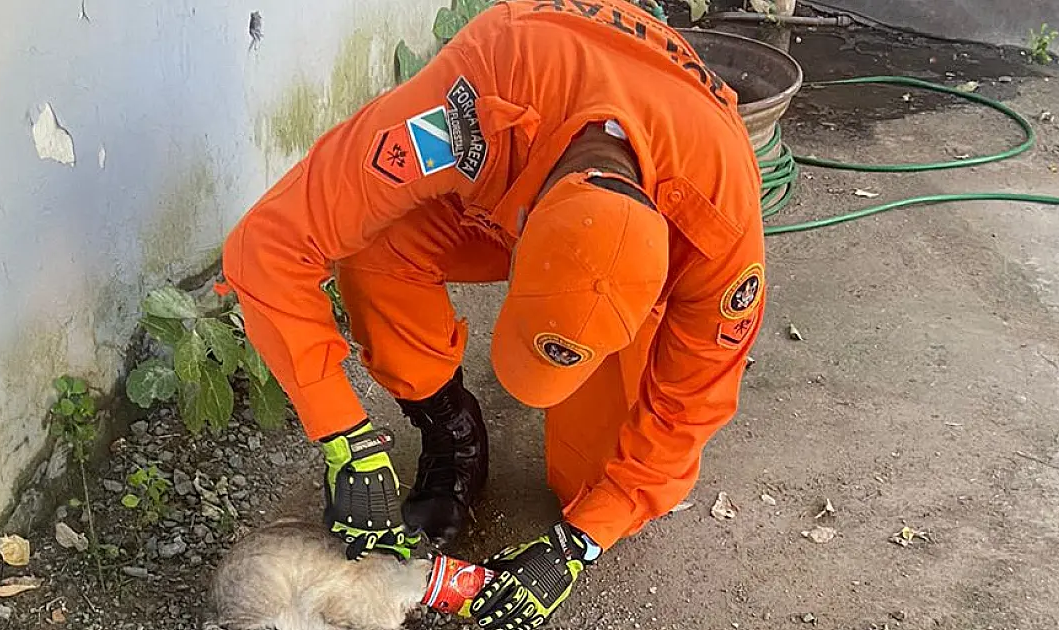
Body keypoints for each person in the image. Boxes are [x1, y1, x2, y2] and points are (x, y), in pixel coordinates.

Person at [219, 0, 766, 626]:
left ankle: (596, 398)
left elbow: (690, 406)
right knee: (373, 241)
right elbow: (265, 247)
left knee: (590, 486)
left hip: (656, 195)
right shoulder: (468, 108)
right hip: (519, 130)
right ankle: (451, 431)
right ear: (522, 229)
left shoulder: (719, 229)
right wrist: (345, 435)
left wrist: (579, 542)